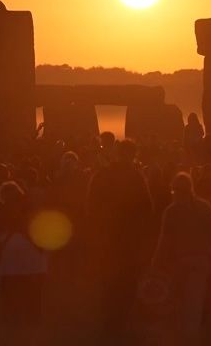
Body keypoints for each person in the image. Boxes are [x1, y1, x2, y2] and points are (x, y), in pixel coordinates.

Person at [86, 139, 154, 341]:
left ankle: (109, 327)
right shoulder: (136, 177)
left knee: (108, 284)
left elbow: (91, 208)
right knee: (127, 285)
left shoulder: (102, 175)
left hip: (107, 241)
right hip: (129, 244)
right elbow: (147, 211)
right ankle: (122, 326)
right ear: (133, 155)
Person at [152, 172, 211, 345]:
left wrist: (155, 264)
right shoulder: (205, 208)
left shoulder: (172, 211)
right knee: (193, 308)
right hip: (200, 263)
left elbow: (164, 241)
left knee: (176, 306)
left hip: (180, 264)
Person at [0, 181, 47, 343]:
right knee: (32, 297)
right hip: (31, 262)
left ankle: (17, 327)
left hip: (14, 262)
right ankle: (29, 328)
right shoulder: (32, 210)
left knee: (13, 297)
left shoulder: (2, 211)